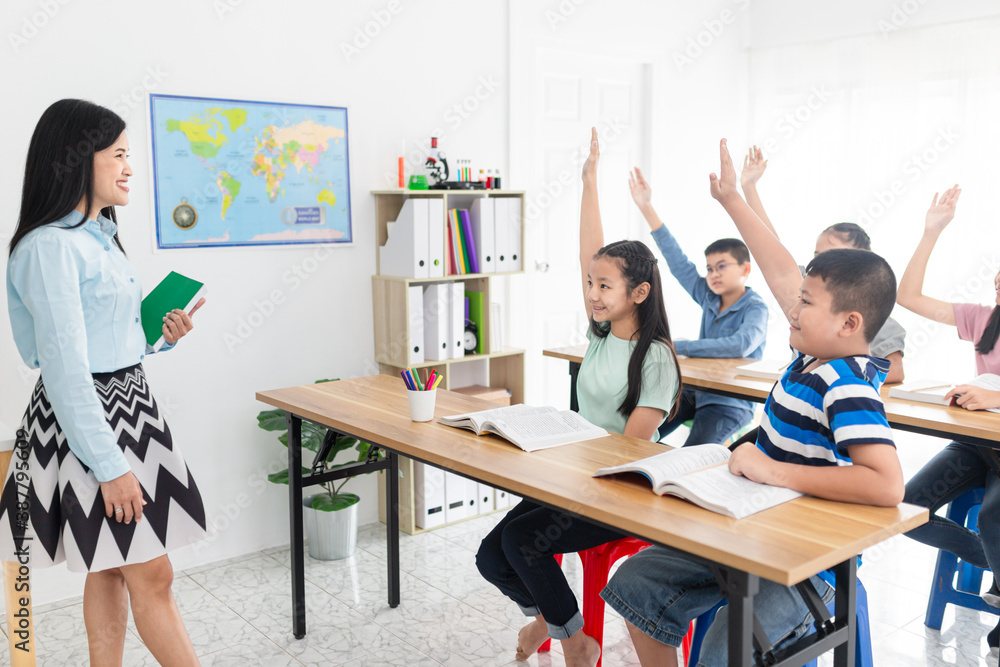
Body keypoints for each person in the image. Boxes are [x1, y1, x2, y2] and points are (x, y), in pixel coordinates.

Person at [601, 139, 904, 666]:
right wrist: (733, 201)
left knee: (721, 651)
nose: (792, 307)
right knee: (636, 583)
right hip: (756, 528)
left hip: (808, 562)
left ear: (848, 324)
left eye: (805, 304)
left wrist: (772, 472)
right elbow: (785, 271)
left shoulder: (848, 382)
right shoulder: (811, 353)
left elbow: (886, 483)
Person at [0, 99, 209, 666]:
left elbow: (111, 340)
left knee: (112, 567)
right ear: (76, 160)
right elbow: (65, 369)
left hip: (129, 405)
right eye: (117, 154)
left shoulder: (99, 235)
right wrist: (110, 467)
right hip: (90, 419)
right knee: (153, 574)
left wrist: (160, 336)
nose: (129, 168)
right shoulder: (49, 247)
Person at [475, 128, 682, 667]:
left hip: (621, 491)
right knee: (490, 556)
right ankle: (551, 617)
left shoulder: (654, 355)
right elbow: (590, 252)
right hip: (574, 474)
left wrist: (567, 463)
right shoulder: (601, 331)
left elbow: (628, 451)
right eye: (590, 283)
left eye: (605, 285)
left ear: (638, 293)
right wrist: (589, 180)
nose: (592, 292)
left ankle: (574, 642)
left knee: (523, 544)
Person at [894, 184, 1000, 648]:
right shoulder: (984, 318)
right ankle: (996, 566)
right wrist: (930, 231)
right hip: (978, 446)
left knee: (993, 516)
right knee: (906, 508)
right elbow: (908, 296)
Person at [740, 145, 907, 383]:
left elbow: (896, 370)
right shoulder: (807, 288)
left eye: (833, 255)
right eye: (817, 255)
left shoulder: (880, 318)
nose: (821, 263)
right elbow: (771, 249)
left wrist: (829, 374)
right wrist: (749, 188)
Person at [629, 166, 768, 445]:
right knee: (640, 438)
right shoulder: (707, 294)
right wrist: (647, 207)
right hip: (696, 391)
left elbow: (739, 345)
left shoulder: (756, 308)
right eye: (709, 268)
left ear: (745, 269)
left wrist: (679, 346)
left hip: (730, 402)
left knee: (690, 455)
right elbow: (678, 261)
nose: (713, 274)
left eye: (721, 267)